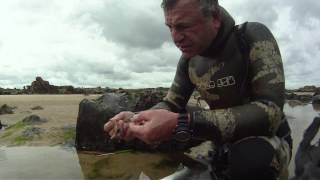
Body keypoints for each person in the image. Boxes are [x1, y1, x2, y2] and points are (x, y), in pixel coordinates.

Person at [104, 0, 292, 179]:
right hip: (219, 138)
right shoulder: (188, 59)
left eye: (183, 26)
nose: (175, 38)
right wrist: (136, 119)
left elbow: (271, 113)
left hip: (269, 137)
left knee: (251, 163)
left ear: (215, 17)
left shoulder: (250, 36)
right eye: (170, 28)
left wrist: (182, 123)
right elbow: (171, 104)